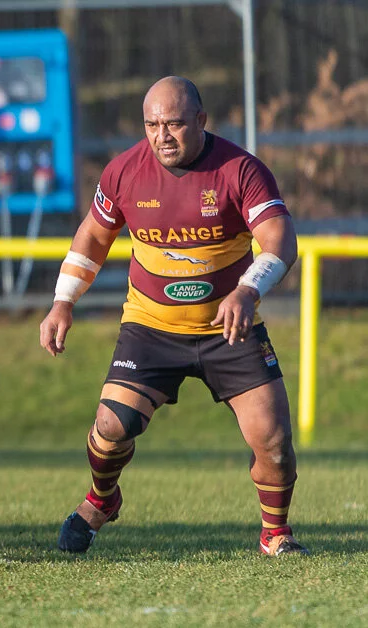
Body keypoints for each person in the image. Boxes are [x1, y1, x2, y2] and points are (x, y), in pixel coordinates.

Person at [41, 76, 306, 557]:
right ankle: (102, 500)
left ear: (201, 121)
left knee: (274, 441)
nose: (162, 135)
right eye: (152, 124)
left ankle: (275, 534)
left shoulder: (240, 170)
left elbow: (280, 242)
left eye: (175, 124)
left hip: (230, 328)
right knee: (111, 426)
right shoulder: (124, 172)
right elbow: (93, 239)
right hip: (151, 328)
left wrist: (249, 290)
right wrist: (63, 301)